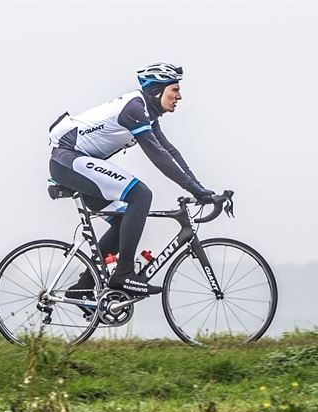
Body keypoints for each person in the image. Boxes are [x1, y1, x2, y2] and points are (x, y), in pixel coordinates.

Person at [47, 62, 216, 299]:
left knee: (122, 221)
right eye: (174, 90)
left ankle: (82, 288)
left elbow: (170, 151)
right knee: (141, 194)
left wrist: (201, 189)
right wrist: (196, 191)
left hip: (72, 164)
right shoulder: (134, 109)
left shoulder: (146, 112)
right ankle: (124, 273)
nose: (179, 96)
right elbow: (159, 158)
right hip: (68, 160)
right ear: (158, 90)